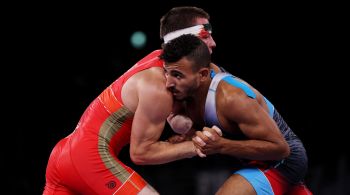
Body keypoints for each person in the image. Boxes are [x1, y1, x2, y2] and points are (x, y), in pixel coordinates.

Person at [43, 6, 217, 195]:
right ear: (183, 41)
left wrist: (187, 129)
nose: (213, 43)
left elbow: (174, 118)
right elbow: (141, 153)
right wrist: (195, 146)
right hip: (88, 159)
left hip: (64, 153)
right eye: (205, 35)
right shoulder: (158, 85)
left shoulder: (158, 61)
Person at [161, 34, 312, 195]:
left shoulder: (233, 98)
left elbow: (281, 149)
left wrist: (221, 145)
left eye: (177, 75)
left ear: (203, 74)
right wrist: (188, 137)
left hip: (284, 161)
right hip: (257, 160)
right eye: (167, 73)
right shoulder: (187, 92)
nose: (168, 83)